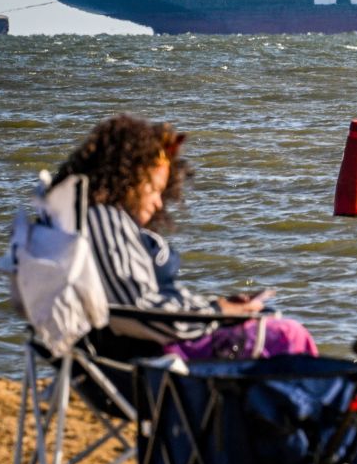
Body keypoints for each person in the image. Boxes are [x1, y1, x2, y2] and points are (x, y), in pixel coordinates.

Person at [51, 114, 316, 360]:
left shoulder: (84, 221)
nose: (158, 204)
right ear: (126, 178)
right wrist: (216, 313)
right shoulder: (101, 220)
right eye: (154, 190)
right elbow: (140, 311)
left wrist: (214, 307)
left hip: (158, 340)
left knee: (269, 320)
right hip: (162, 355)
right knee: (289, 334)